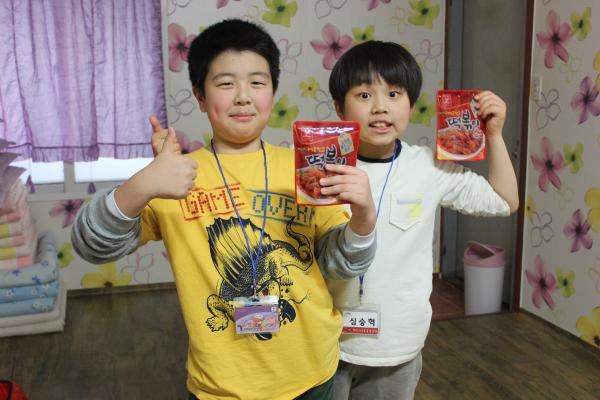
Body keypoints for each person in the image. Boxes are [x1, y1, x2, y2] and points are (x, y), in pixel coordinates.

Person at [71, 19, 378, 400]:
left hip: (312, 372)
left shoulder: (304, 169)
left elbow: (339, 265)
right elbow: (90, 246)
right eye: (226, 83)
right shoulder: (173, 177)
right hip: (222, 386)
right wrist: (142, 184)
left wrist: (364, 217)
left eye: (257, 82)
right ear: (200, 97)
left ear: (273, 92)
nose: (243, 97)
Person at [326, 40, 519, 400]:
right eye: (364, 95)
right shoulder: (322, 168)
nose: (381, 107)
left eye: (394, 94)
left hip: (398, 343)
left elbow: (504, 201)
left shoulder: (429, 167)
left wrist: (493, 135)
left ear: (412, 105)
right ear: (339, 107)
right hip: (327, 340)